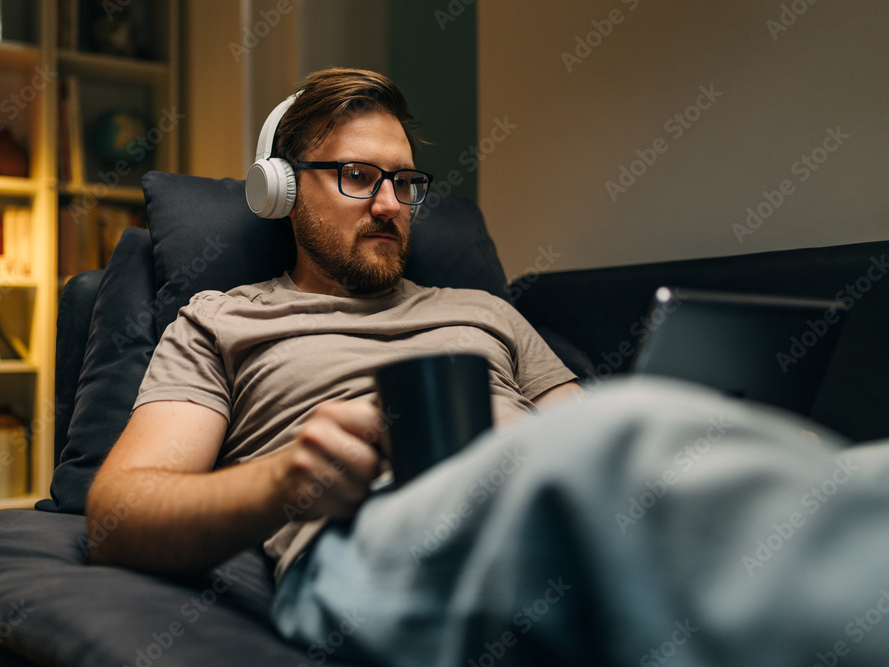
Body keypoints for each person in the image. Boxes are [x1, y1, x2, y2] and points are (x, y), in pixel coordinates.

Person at [87, 69, 889, 666]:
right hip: (374, 539)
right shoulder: (223, 318)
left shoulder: (484, 309)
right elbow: (116, 515)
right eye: (360, 176)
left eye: (404, 182)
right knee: (622, 438)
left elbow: (579, 430)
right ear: (282, 190)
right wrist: (282, 482)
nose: (393, 204)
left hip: (546, 503)